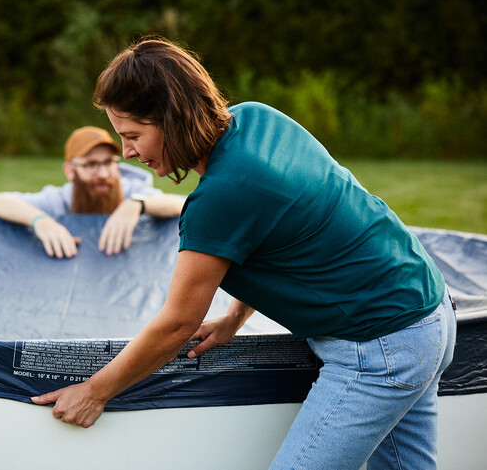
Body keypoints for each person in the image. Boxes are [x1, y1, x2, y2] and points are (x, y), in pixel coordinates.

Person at [31, 37, 456, 470]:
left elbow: (177, 324)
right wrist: (236, 317)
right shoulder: (256, 118)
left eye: (134, 135)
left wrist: (94, 391)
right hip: (428, 312)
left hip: (382, 346)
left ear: (171, 118)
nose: (128, 153)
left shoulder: (219, 199)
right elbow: (283, 235)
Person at [0, 126, 185, 258]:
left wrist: (138, 204)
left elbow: (182, 204)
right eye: (91, 165)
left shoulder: (132, 191)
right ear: (70, 171)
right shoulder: (60, 200)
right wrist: (41, 221)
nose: (103, 173)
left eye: (108, 162)